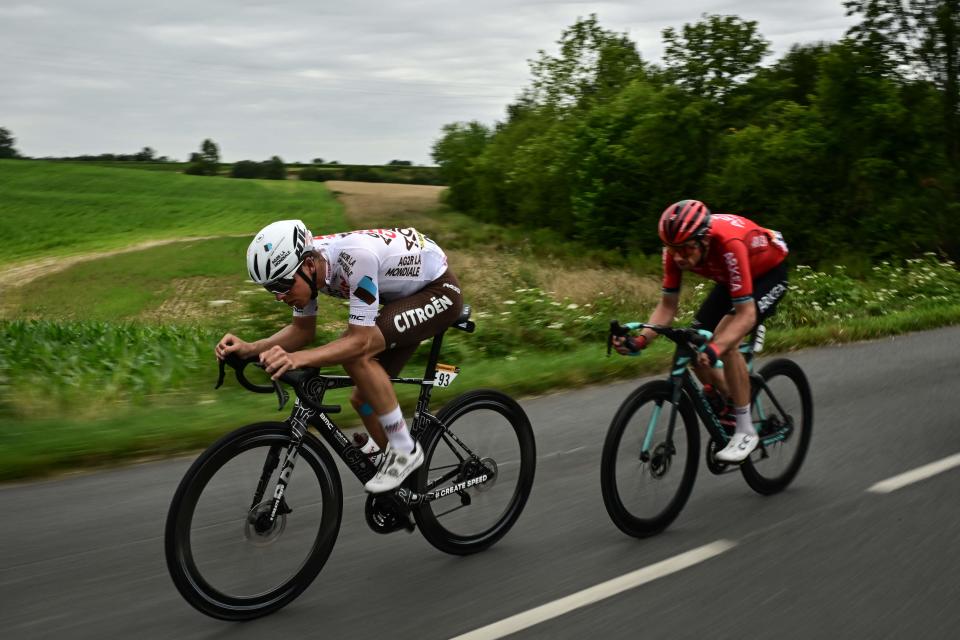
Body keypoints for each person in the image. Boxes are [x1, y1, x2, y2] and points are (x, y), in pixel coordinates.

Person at [215, 220, 464, 492]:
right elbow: (302, 331)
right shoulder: (310, 266)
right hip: (402, 298)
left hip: (438, 291)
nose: (279, 296)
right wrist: (251, 348)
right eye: (271, 289)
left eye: (283, 285)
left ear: (309, 265)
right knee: (363, 399)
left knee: (356, 355)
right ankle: (404, 484)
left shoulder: (355, 259)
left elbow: (359, 341)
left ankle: (405, 449)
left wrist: (298, 359)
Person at [613, 200, 789, 463]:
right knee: (694, 344)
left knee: (724, 342)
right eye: (673, 250)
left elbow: (746, 314)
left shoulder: (729, 244)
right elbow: (667, 306)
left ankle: (745, 431)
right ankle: (730, 396)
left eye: (686, 248)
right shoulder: (674, 251)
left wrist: (717, 347)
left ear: (704, 239)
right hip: (730, 279)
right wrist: (640, 340)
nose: (680, 257)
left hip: (768, 273)